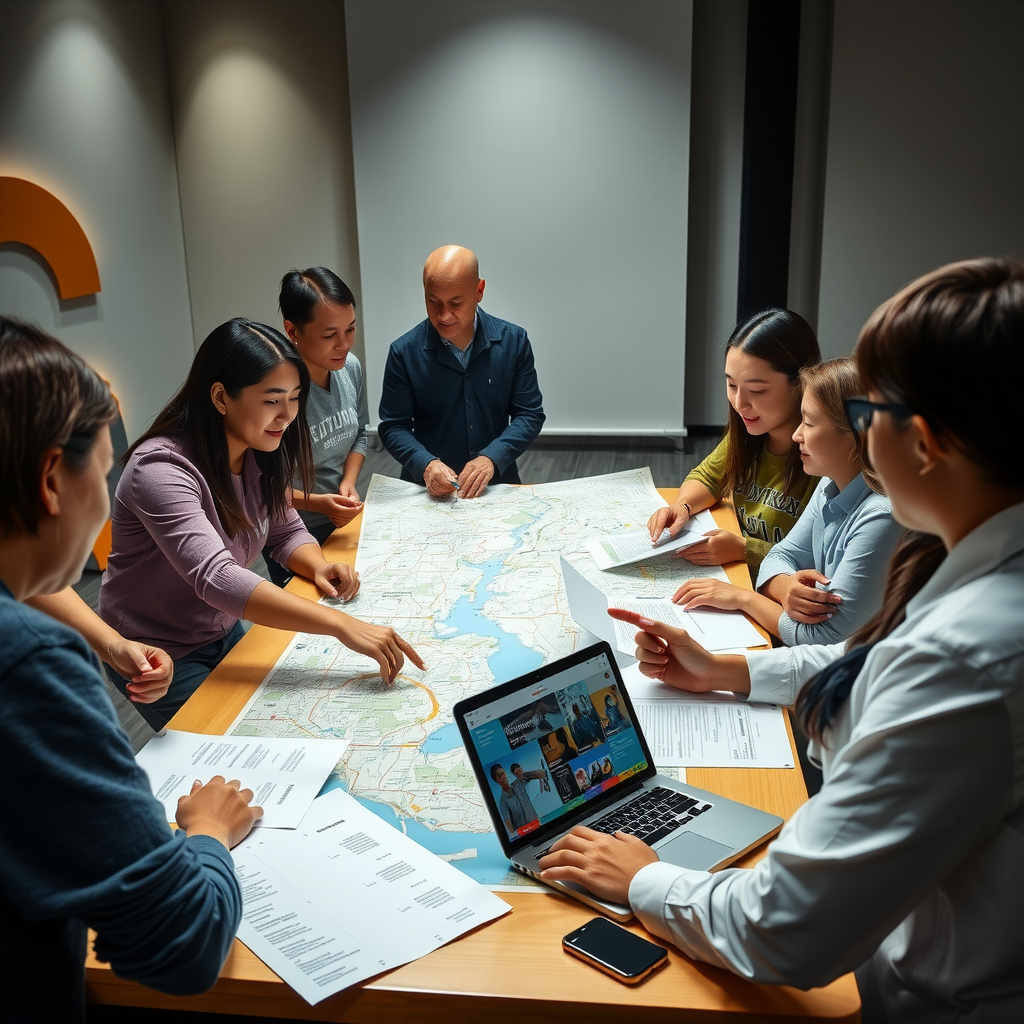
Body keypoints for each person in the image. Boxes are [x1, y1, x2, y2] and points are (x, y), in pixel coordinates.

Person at [541, 258, 1024, 1022]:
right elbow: (854, 659)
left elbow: (784, 929)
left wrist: (643, 878)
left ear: (923, 441)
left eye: (868, 412)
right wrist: (726, 672)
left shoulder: (963, 658)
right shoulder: (976, 576)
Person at [0, 317, 262, 1023]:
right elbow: (184, 941)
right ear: (53, 478)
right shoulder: (29, 663)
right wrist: (208, 830)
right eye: (103, 470)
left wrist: (111, 642)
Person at [100, 318, 423, 728]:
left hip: (221, 626)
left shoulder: (259, 445)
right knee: (227, 750)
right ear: (221, 397)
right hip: (157, 650)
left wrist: (318, 565)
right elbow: (216, 577)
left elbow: (285, 530)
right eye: (272, 400)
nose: (287, 416)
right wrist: (342, 625)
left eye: (294, 398)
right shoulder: (160, 468)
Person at [671, 358, 903, 646]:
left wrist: (744, 598)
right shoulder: (830, 485)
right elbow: (779, 556)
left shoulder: (883, 517)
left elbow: (821, 638)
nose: (797, 435)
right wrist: (785, 588)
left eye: (808, 422)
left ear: (856, 434)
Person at [648, 309, 821, 574]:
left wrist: (744, 549)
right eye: (731, 385)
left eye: (757, 390)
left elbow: (820, 558)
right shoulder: (750, 433)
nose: (740, 404)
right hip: (735, 576)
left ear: (800, 383)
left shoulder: (824, 456)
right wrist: (681, 506)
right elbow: (708, 476)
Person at [378, 245, 545, 498]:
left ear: (479, 291)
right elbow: (393, 426)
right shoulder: (404, 351)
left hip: (497, 485)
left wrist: (491, 458)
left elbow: (529, 414)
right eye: (433, 301)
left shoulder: (514, 341)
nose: (443, 315)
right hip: (428, 490)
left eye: (456, 303)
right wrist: (426, 464)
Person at [263, 267, 369, 587]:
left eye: (350, 329)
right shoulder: (275, 392)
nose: (344, 344)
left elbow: (360, 433)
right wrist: (317, 503)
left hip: (342, 523)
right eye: (329, 335)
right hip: (293, 534)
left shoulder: (349, 368)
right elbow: (259, 487)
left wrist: (348, 482)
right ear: (292, 330)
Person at [491, 763, 545, 834]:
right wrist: (514, 837)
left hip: (537, 825)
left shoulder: (518, 784)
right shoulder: (503, 800)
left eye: (503, 773)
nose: (503, 777)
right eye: (500, 776)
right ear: (497, 781)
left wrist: (522, 774)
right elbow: (508, 821)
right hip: (524, 833)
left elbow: (542, 774)